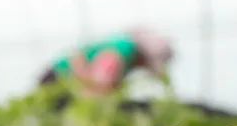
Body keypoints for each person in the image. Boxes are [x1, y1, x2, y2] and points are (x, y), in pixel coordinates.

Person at [38, 29, 174, 98]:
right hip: (57, 79)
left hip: (63, 81)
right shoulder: (125, 49)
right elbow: (100, 81)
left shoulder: (125, 52)